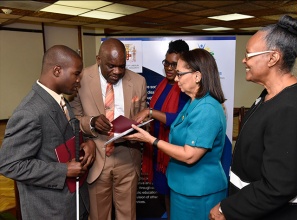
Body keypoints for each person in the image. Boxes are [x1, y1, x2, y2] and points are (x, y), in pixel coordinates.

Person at [209, 15, 297, 220]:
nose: (244, 60)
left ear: (273, 58)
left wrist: (227, 209)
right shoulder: (271, 95)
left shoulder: (289, 108)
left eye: (249, 55)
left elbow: (278, 186)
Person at [126, 48, 228, 220]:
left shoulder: (207, 109)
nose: (176, 78)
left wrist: (151, 140)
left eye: (180, 74)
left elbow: (189, 155)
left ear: (197, 76)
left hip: (199, 193)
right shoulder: (193, 102)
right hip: (183, 187)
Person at [0, 45, 96, 220]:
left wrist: (88, 142)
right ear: (57, 71)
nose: (78, 81)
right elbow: (9, 164)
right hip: (50, 210)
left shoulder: (61, 101)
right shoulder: (29, 112)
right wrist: (62, 171)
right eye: (76, 74)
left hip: (74, 203)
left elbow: (68, 134)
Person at [69, 38, 147, 220]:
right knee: (98, 216)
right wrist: (92, 122)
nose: (117, 71)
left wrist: (140, 127)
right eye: (111, 66)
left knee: (127, 215)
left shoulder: (138, 81)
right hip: (96, 156)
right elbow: (73, 121)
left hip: (128, 157)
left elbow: (145, 119)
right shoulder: (81, 80)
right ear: (98, 59)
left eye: (122, 66)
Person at [134, 39, 190, 218]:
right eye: (166, 63)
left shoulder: (185, 89)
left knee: (175, 198)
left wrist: (150, 112)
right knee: (165, 196)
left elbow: (179, 120)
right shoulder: (163, 84)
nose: (169, 68)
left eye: (174, 64)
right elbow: (156, 116)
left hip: (174, 154)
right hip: (159, 152)